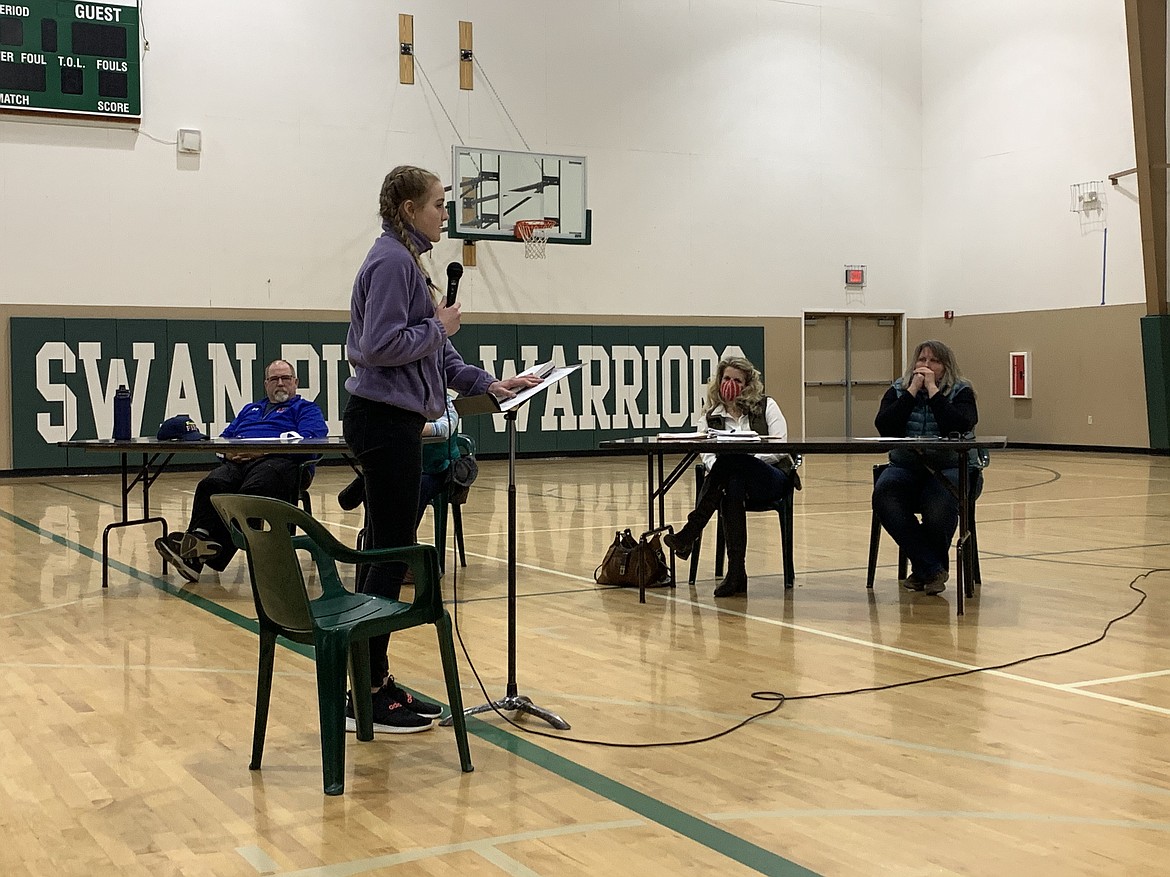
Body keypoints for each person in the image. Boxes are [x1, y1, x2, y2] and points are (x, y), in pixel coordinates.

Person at [343, 164, 540, 734]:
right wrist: (440, 329)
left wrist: (487, 383)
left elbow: (433, 356)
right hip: (384, 421)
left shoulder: (409, 264)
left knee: (389, 548)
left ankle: (375, 680)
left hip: (395, 422)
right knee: (389, 553)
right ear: (407, 209)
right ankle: (369, 689)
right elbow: (380, 346)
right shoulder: (389, 262)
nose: (445, 214)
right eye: (437, 204)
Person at [154, 359, 328, 583]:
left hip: (284, 464)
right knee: (212, 484)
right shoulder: (250, 409)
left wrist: (261, 451)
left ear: (296, 382)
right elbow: (226, 438)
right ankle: (197, 545)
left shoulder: (306, 409)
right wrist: (228, 454)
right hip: (240, 463)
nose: (280, 383)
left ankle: (213, 552)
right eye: (274, 379)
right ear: (266, 384)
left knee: (253, 488)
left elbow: (310, 440)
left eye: (285, 378)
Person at [663, 356, 794, 597]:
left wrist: (745, 461)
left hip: (770, 477)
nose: (730, 384)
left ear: (747, 385)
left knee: (733, 462)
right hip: (733, 482)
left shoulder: (767, 405)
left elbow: (780, 446)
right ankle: (736, 573)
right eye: (726, 378)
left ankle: (690, 533)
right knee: (731, 484)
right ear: (719, 381)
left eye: (737, 380)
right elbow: (706, 453)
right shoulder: (711, 414)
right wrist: (728, 464)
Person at [872, 339, 982, 596]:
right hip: (906, 466)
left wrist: (933, 392)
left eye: (934, 361)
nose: (926, 366)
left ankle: (925, 569)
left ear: (946, 366)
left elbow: (958, 425)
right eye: (922, 360)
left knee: (939, 503)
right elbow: (885, 426)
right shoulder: (898, 390)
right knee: (885, 495)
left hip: (952, 467)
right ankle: (931, 568)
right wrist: (911, 393)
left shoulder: (961, 391)